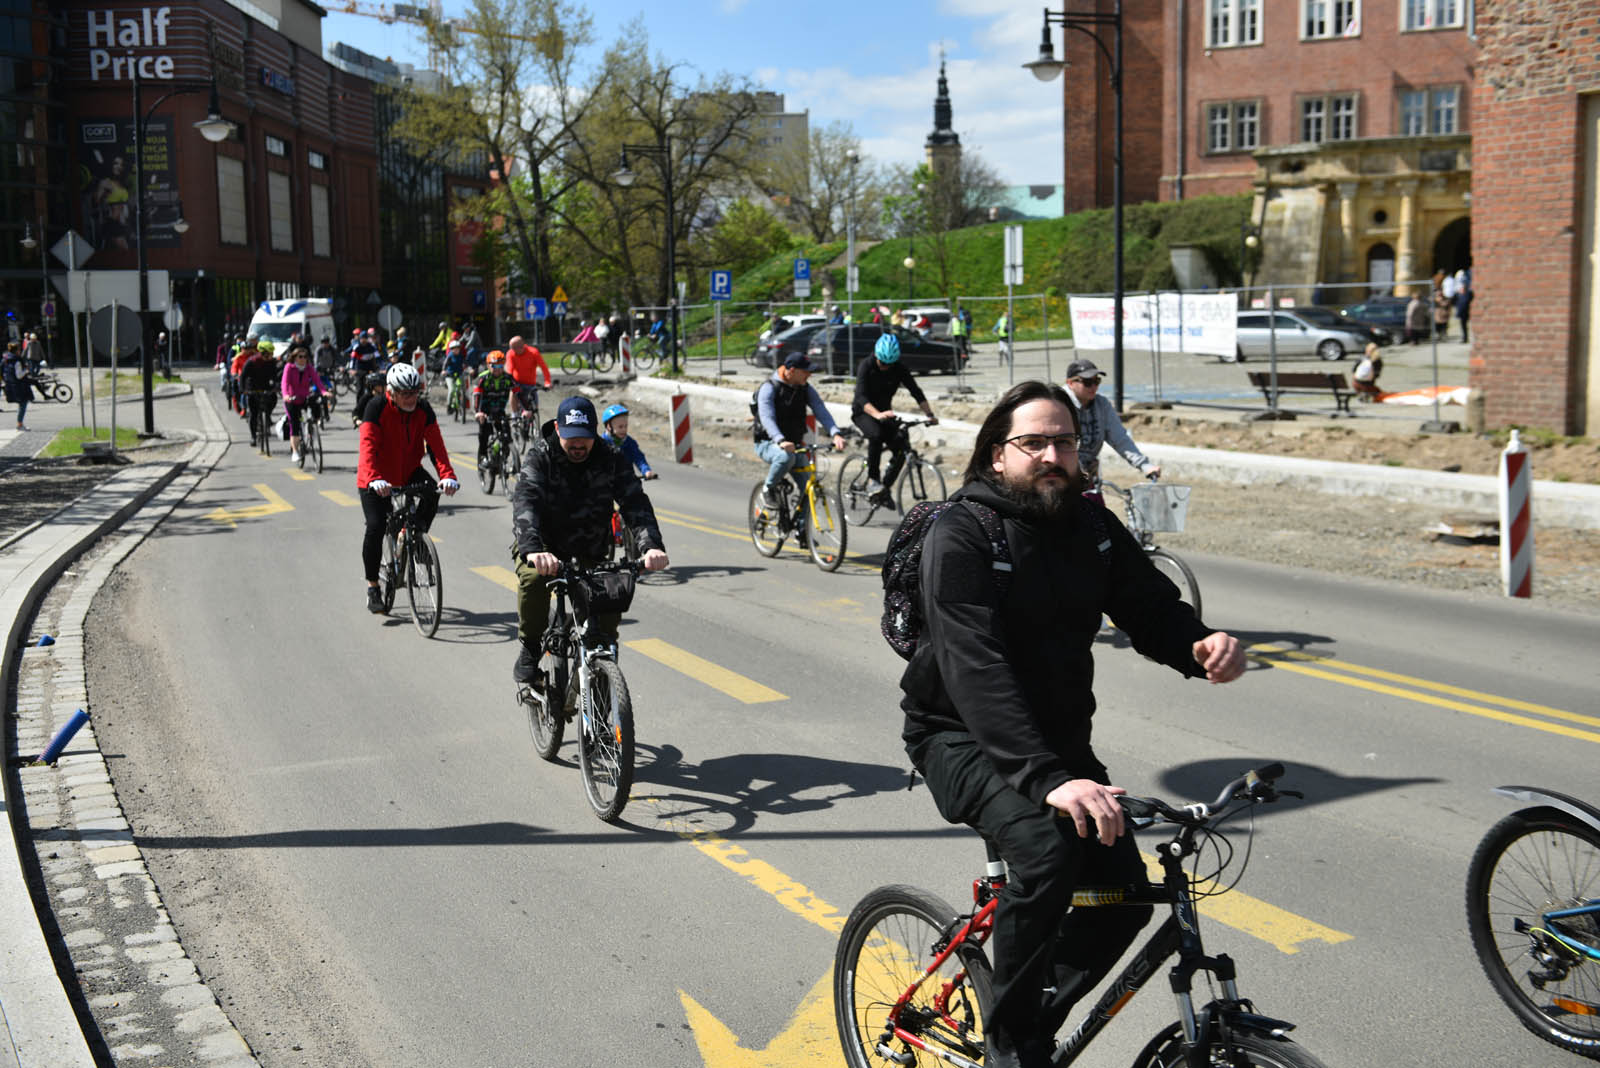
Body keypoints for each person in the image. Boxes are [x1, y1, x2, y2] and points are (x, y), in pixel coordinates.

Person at [902, 379, 1246, 1068]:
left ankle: (1022, 1009)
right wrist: (1050, 780)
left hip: (1057, 749)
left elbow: (1147, 605)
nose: (1053, 455)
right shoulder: (964, 534)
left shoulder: (1090, 525)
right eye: (1034, 443)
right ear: (998, 454)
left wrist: (1197, 644)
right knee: (1048, 854)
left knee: (1122, 895)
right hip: (960, 736)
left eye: (1064, 441)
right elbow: (977, 670)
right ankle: (1011, 1047)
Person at [510, 396, 669, 685]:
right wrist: (533, 550)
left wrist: (651, 546)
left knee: (605, 620)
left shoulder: (610, 457)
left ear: (595, 431)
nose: (579, 445)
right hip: (545, 547)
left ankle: (602, 685)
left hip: (592, 548)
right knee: (533, 580)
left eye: (585, 437)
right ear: (558, 429)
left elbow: (635, 503)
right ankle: (531, 647)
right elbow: (526, 504)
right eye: (572, 438)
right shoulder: (540, 456)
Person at [357, 363, 459, 614]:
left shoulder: (423, 409)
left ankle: (416, 537)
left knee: (432, 492)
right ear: (391, 392)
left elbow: (436, 446)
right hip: (376, 475)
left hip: (409, 470)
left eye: (415, 392)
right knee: (376, 526)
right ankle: (372, 587)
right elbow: (367, 446)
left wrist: (447, 475)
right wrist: (373, 477)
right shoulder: (376, 407)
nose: (411, 398)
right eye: (405, 393)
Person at [752, 353, 848, 510]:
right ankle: (768, 489)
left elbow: (820, 409)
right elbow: (766, 418)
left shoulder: (804, 388)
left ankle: (801, 529)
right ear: (791, 370)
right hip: (768, 443)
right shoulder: (769, 388)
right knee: (785, 457)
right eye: (805, 371)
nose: (809, 374)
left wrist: (835, 433)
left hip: (795, 445)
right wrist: (780, 440)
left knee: (809, 490)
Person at [851, 334, 938, 507]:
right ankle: (873, 480)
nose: (885, 367)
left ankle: (884, 489)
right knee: (875, 435)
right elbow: (860, 396)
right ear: (877, 356)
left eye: (889, 364)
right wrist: (876, 415)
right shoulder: (866, 366)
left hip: (886, 413)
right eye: (883, 363)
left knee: (902, 445)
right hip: (863, 412)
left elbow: (916, 391)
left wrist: (929, 414)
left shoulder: (898, 368)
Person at [1061, 359, 1159, 486]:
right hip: (1064, 477)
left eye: (1096, 381)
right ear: (1070, 383)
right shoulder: (1059, 404)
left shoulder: (1102, 405)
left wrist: (1145, 465)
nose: (1094, 387)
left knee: (1096, 504)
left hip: (1089, 475)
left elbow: (1120, 438)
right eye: (1087, 382)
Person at [472, 350, 518, 464]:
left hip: (499, 411)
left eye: (500, 365)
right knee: (484, 434)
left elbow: (519, 394)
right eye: (494, 366)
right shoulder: (483, 378)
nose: (497, 369)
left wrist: (526, 410)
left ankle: (503, 460)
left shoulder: (508, 378)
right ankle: (483, 456)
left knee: (507, 437)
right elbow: (477, 396)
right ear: (488, 365)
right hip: (485, 412)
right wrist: (478, 412)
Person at [280, 344, 322, 461]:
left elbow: (316, 380)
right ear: (294, 357)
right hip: (291, 399)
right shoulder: (289, 367)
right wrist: (286, 395)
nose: (303, 359)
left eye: (305, 357)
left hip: (303, 397)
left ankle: (313, 424)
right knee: (295, 424)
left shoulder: (308, 368)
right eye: (300, 357)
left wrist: (324, 392)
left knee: (315, 401)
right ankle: (295, 451)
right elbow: (285, 383)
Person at [505, 335, 552, 430]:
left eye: (514, 348)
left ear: (521, 346)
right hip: (517, 382)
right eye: (511, 348)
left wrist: (547, 382)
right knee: (513, 392)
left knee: (533, 406)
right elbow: (509, 368)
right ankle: (514, 415)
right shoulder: (510, 353)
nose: (512, 350)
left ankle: (532, 425)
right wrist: (509, 380)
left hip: (530, 384)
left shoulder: (533, 352)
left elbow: (544, 367)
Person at [600, 403, 657, 480]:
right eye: (620, 427)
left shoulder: (629, 442)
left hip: (627, 481)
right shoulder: (601, 443)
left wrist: (646, 470)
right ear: (609, 427)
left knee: (637, 491)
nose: (624, 429)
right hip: (607, 484)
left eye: (625, 426)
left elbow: (638, 458)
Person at [238, 340, 280, 443]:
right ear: (263, 353)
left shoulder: (272, 362)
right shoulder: (252, 362)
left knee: (273, 398)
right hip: (252, 388)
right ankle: (253, 437)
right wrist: (243, 390)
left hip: (266, 387)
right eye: (270, 353)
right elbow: (243, 376)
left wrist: (276, 386)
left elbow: (275, 376)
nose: (272, 355)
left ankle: (268, 415)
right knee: (253, 413)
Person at [2, 340, 33, 431]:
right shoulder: (17, 361)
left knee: (21, 404)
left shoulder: (5, 359)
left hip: (10, 384)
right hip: (19, 386)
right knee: (23, 404)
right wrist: (26, 370)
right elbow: (19, 375)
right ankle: (19, 424)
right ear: (17, 350)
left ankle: (20, 423)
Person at [1454, 269, 1473, 343]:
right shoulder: (1461, 295)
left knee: (1466, 326)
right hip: (1463, 313)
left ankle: (1465, 338)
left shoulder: (1466, 294)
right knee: (1463, 326)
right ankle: (1465, 338)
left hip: (1465, 312)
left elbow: (1463, 304)